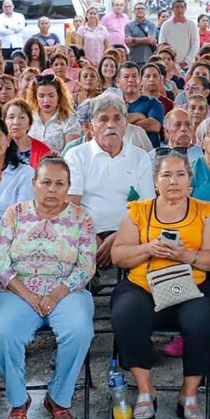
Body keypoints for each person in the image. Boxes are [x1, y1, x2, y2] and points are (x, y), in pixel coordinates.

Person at [110, 150, 210, 419]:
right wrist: (148, 248)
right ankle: (145, 389)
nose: (174, 181)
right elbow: (118, 255)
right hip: (144, 285)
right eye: (166, 175)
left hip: (191, 285)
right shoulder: (139, 210)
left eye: (180, 174)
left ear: (190, 180)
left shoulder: (204, 211)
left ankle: (190, 392)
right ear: (156, 181)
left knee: (204, 319)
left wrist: (188, 256)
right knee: (126, 313)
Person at [0, 156, 96, 419]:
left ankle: (58, 397)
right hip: (17, 290)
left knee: (79, 330)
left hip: (67, 290)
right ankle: (18, 399)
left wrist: (56, 294)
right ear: (34, 183)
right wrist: (28, 295)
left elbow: (86, 266)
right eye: (46, 182)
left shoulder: (82, 218)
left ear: (68, 187)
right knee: (6, 334)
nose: (52, 189)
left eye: (60, 184)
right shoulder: (15, 213)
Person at [64, 94, 154, 267]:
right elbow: (72, 205)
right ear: (91, 126)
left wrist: (121, 235)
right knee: (77, 240)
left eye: (117, 119)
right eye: (103, 120)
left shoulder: (140, 156)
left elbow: (147, 206)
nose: (111, 125)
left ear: (125, 124)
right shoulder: (76, 155)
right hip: (87, 232)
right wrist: (90, 235)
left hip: (131, 232)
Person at [26, 72, 80, 153]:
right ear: (35, 96)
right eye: (41, 96)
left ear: (59, 95)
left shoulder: (69, 119)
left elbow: (71, 152)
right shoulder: (28, 117)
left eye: (51, 96)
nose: (46, 100)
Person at [117, 62, 164, 148]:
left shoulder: (153, 102)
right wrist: (139, 116)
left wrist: (122, 121)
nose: (131, 80)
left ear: (140, 80)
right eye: (126, 77)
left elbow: (154, 126)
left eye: (134, 76)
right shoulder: (114, 105)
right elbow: (114, 125)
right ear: (118, 81)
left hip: (149, 155)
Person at [3, 99, 52, 167]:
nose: (16, 122)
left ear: (29, 123)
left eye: (22, 117)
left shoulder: (43, 151)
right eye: (11, 117)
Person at [159, 0, 199, 68]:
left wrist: (187, 61)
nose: (180, 10)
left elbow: (195, 45)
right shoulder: (166, 25)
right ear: (172, 9)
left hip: (188, 66)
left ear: (185, 9)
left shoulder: (191, 25)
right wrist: (169, 60)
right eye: (177, 7)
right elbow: (162, 44)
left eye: (182, 7)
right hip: (169, 65)